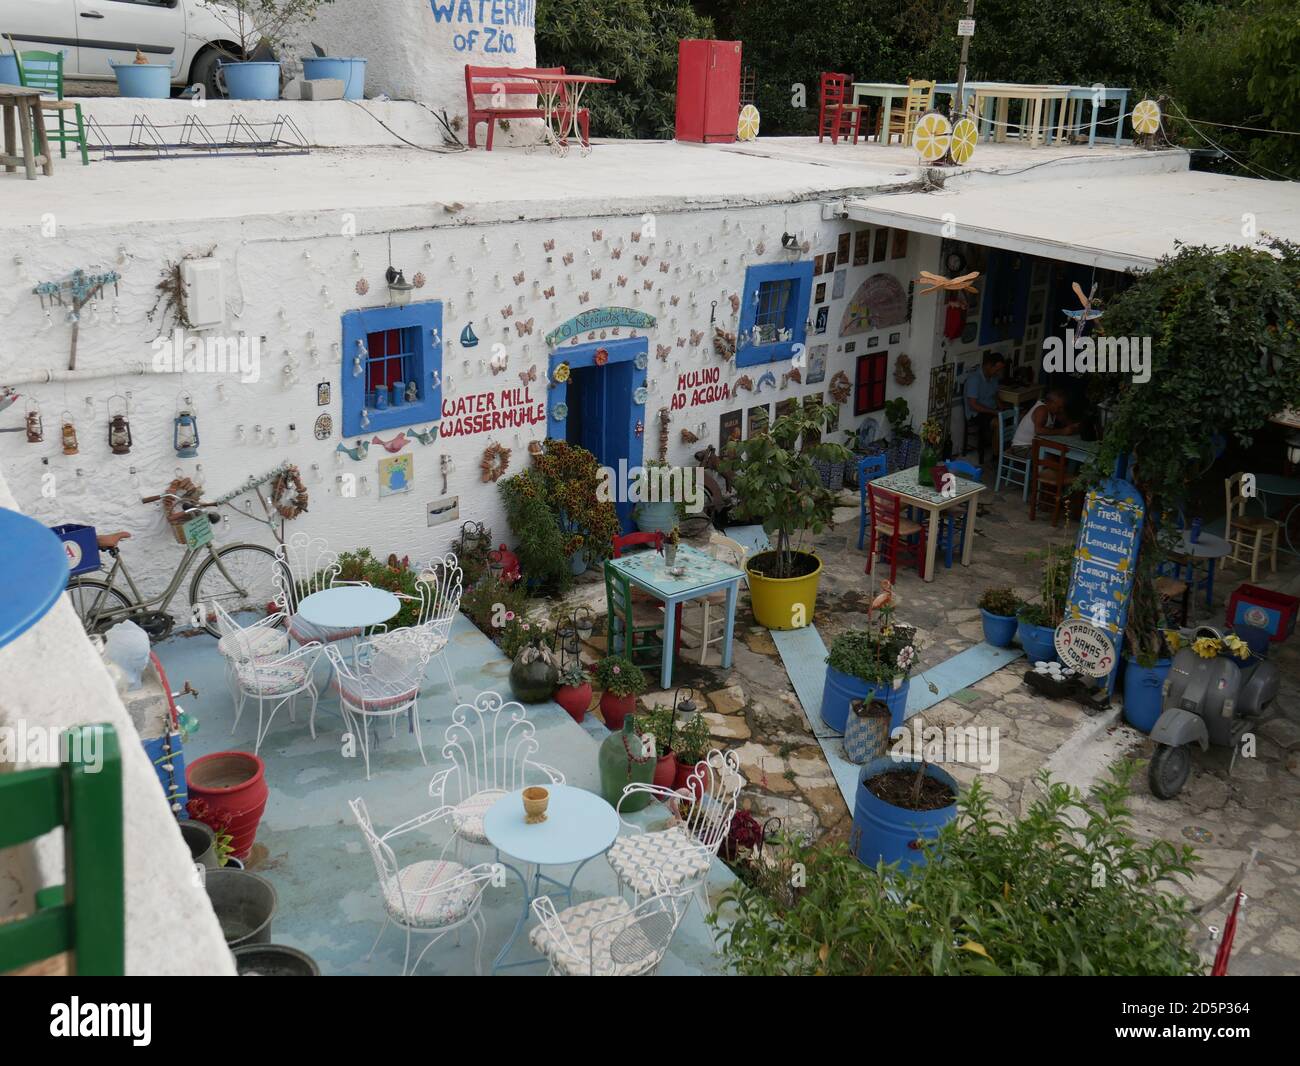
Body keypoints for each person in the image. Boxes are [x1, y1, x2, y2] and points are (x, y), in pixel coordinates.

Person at [962, 351, 1006, 462]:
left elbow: (995, 395)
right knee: (998, 422)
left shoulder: (993, 378)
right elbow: (973, 405)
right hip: (976, 413)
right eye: (997, 369)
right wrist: (994, 412)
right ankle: (997, 456)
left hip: (990, 411)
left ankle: (1003, 451)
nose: (998, 372)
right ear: (988, 365)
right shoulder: (975, 379)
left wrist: (1001, 407)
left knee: (1010, 418)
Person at [1010, 388, 1079, 457]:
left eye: (1062, 407)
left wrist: (1074, 426)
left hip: (1034, 445)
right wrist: (1063, 431)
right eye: (1059, 407)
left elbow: (1065, 421)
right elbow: (1038, 430)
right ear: (1050, 403)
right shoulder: (1041, 410)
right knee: (1055, 455)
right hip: (1022, 448)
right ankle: (1042, 467)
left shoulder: (1054, 410)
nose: (1061, 409)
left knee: (1062, 451)